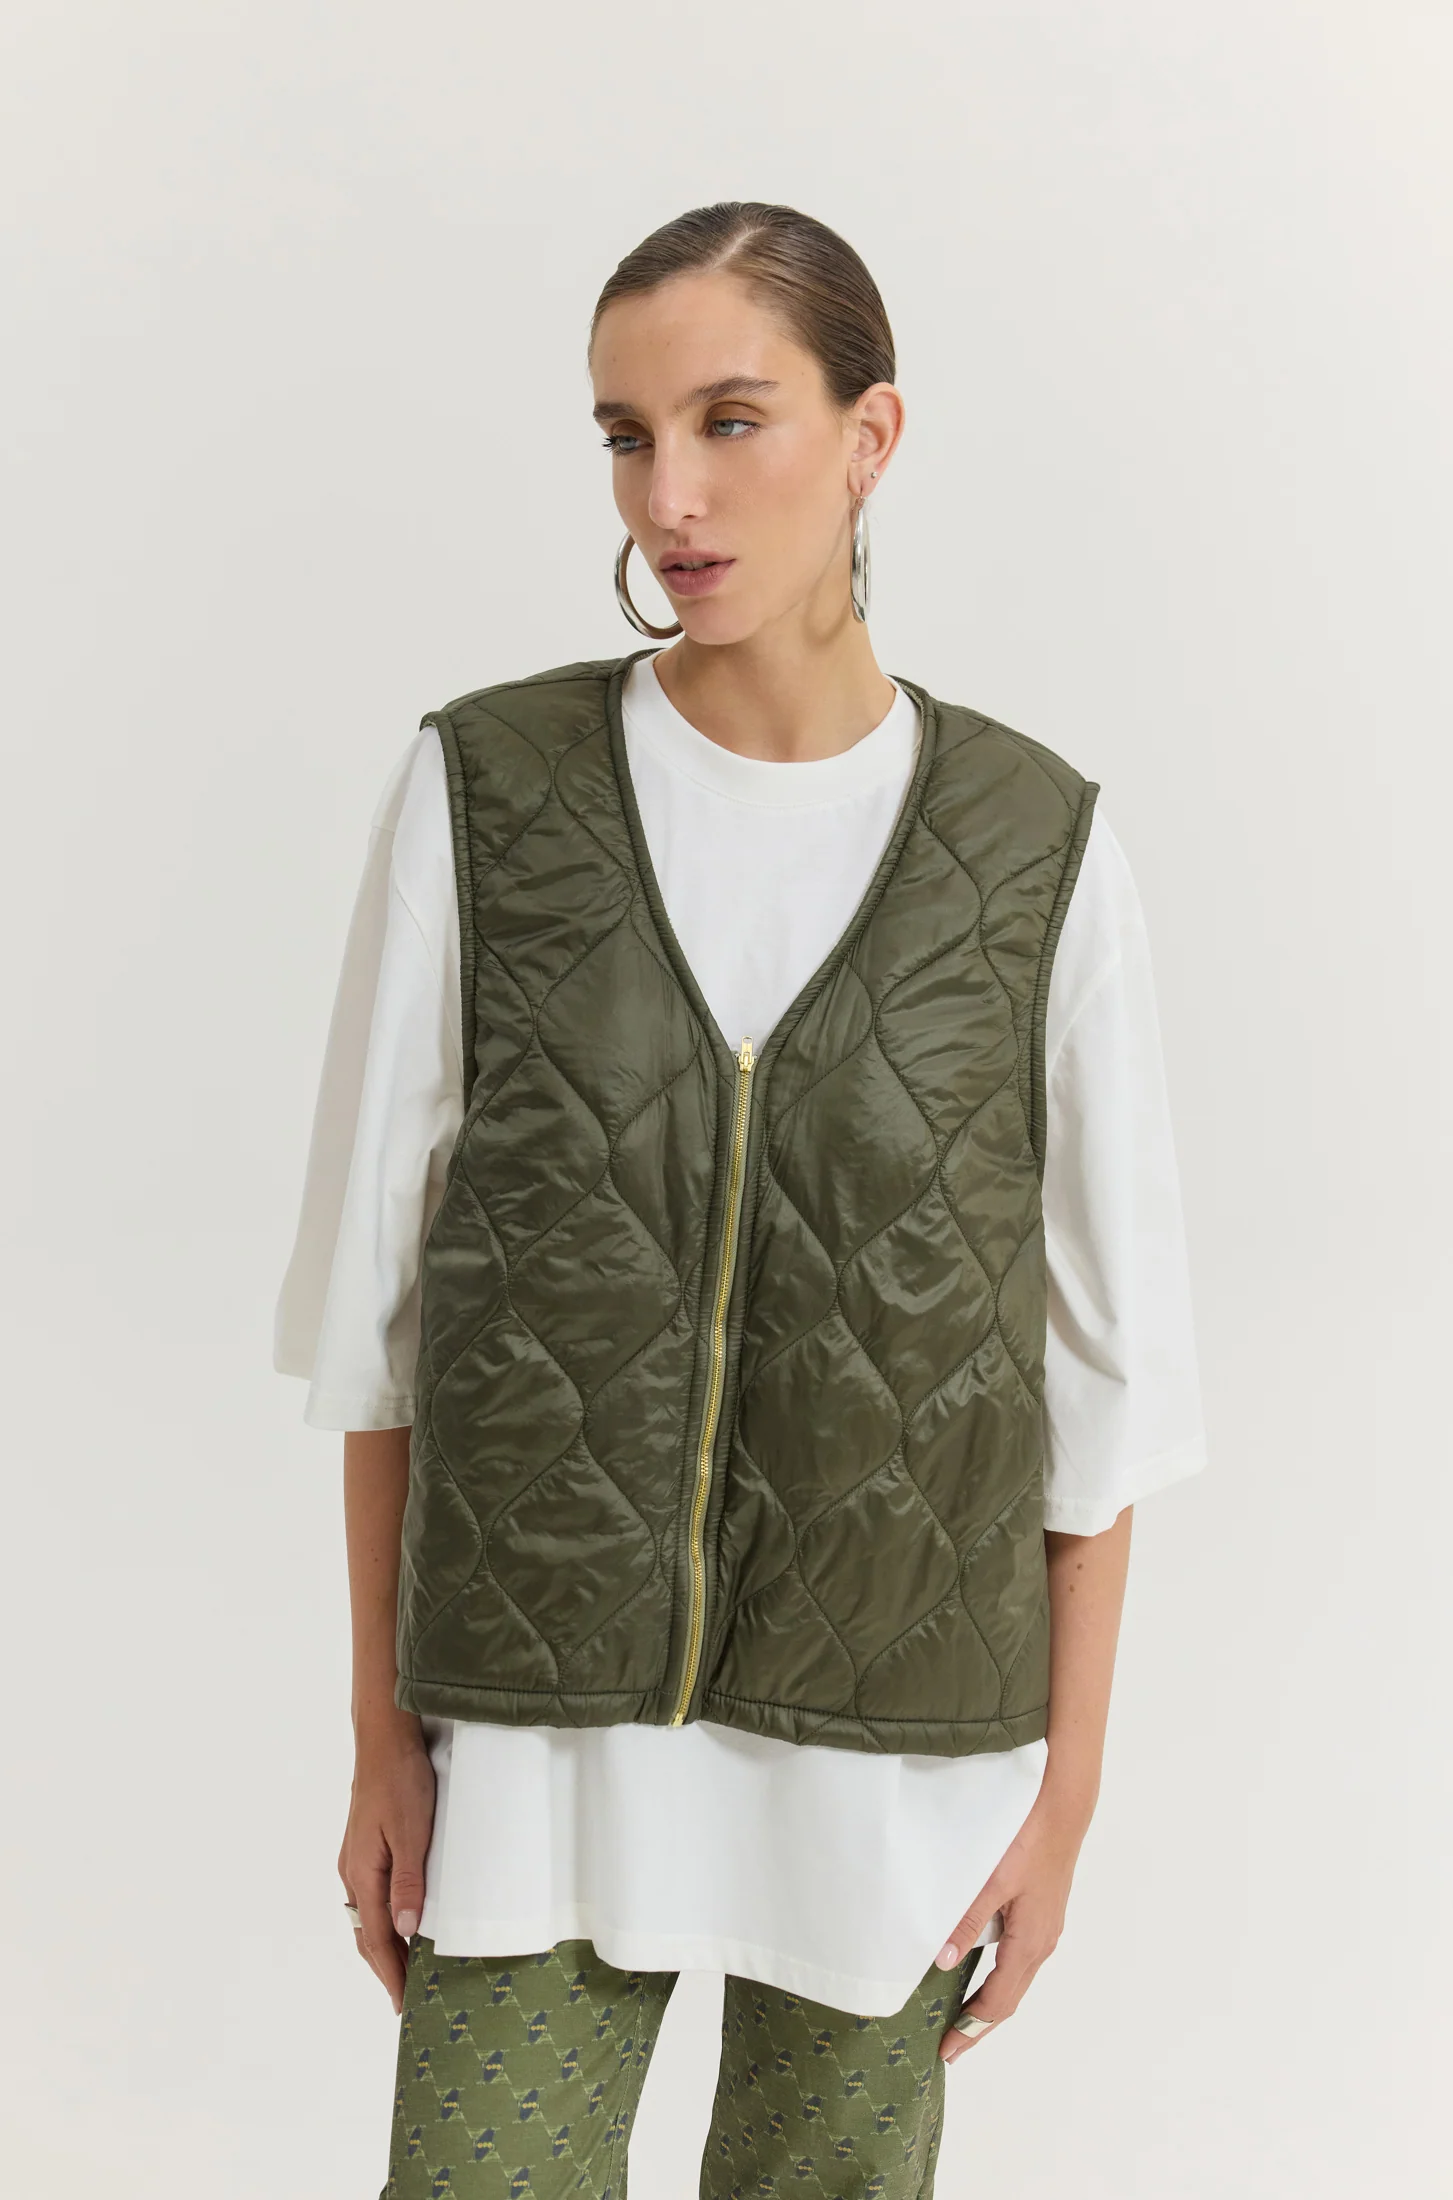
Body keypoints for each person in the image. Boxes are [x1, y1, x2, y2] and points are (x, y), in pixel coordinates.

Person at [274, 200, 1207, 2199]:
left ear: (872, 435)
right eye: (625, 435)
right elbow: (378, 1328)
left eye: (728, 419)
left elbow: (1101, 1382)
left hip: (898, 1745)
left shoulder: (1036, 850)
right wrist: (379, 1736)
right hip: (540, 1729)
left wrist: (1066, 1796)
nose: (669, 496)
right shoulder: (484, 794)